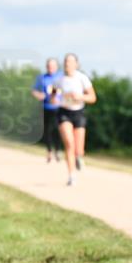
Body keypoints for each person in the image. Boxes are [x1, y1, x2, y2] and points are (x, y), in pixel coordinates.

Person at [56, 53, 97, 186]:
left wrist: (80, 97)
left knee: (78, 149)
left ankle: (79, 157)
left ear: (76, 64)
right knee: (69, 143)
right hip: (64, 112)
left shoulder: (82, 78)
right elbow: (53, 97)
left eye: (70, 61)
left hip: (78, 112)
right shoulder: (60, 80)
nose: (67, 64)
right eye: (66, 61)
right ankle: (71, 175)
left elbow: (92, 97)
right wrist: (57, 98)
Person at [32, 58, 63, 163]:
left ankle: (58, 150)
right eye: (49, 66)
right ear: (46, 67)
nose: (50, 68)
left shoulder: (61, 76)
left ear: (56, 67)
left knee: (58, 130)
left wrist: (58, 98)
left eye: (52, 66)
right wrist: (39, 95)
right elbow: (34, 90)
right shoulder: (41, 78)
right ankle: (49, 151)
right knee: (48, 131)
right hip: (46, 108)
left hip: (59, 108)